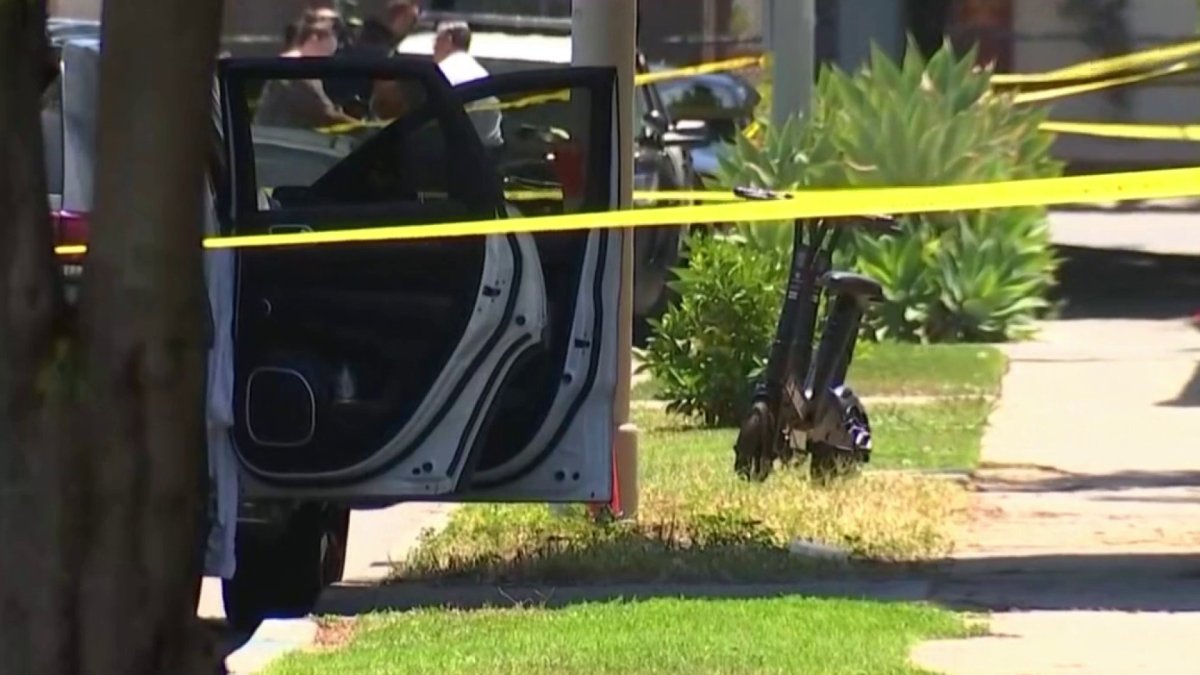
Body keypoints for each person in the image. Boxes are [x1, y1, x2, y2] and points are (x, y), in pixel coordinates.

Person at [255, 20, 357, 129]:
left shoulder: (304, 72)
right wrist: (365, 128)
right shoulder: (293, 75)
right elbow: (326, 116)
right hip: (281, 142)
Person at [432, 21, 503, 148]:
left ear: (448, 40)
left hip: (455, 150)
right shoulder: (481, 72)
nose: (433, 47)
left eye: (436, 40)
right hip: (489, 149)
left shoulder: (445, 71)